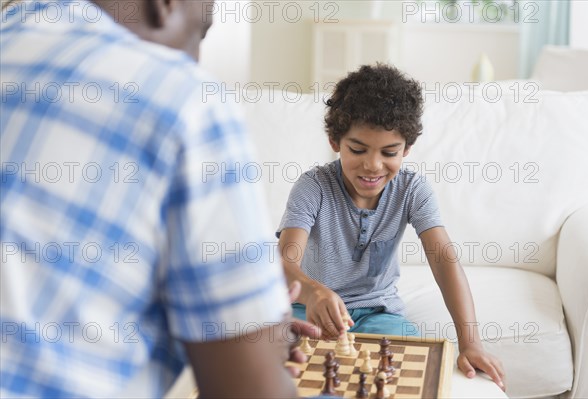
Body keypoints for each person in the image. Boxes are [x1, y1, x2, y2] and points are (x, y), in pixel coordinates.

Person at [0, 0, 318, 397]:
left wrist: (239, 331)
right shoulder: (185, 98)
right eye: (201, 35)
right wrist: (257, 344)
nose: (197, 61)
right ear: (164, 5)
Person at [277, 64, 506, 389]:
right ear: (334, 141)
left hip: (378, 313)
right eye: (357, 149)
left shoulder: (413, 190)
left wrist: (471, 344)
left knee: (403, 371)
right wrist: (314, 292)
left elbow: (444, 262)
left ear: (407, 149)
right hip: (308, 311)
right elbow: (283, 261)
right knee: (280, 368)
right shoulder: (313, 187)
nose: (372, 165)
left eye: (389, 152)